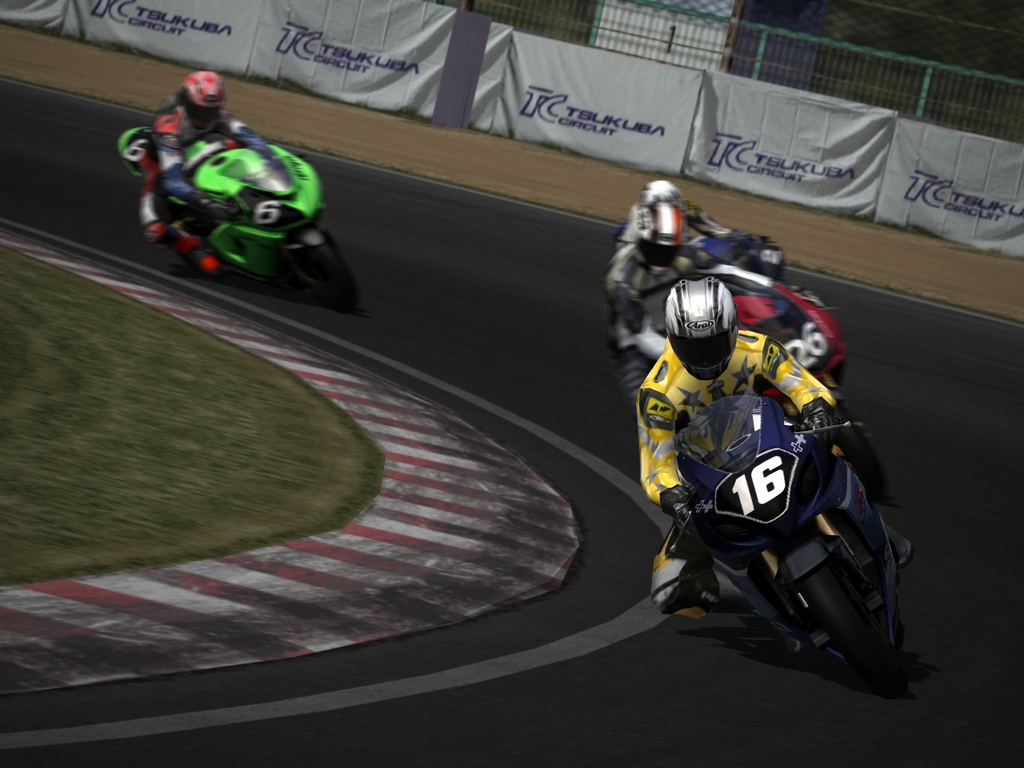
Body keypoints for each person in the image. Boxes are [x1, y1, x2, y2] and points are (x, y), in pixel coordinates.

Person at [637, 276, 914, 619]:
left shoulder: (758, 347)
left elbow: (804, 385)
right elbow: (655, 466)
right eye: (693, 347)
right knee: (668, 591)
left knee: (830, 445)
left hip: (769, 440)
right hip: (707, 482)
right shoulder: (657, 394)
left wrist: (815, 406)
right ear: (673, 338)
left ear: (732, 328)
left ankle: (876, 525)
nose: (706, 357)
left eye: (714, 343)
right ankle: (760, 607)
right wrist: (672, 496)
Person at [604, 180, 771, 402]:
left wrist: (770, 286)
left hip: (677, 323)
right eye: (655, 250)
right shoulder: (621, 277)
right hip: (635, 345)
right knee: (650, 408)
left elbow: (726, 267)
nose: (661, 258)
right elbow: (643, 335)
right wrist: (693, 355)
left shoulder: (685, 237)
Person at [138, 70, 275, 276]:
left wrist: (274, 155)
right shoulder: (169, 128)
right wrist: (206, 202)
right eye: (200, 110)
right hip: (163, 172)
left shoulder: (220, 115)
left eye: (212, 110)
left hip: (202, 158)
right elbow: (173, 181)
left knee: (240, 147)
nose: (206, 116)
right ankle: (192, 248)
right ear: (187, 101)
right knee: (154, 232)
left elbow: (252, 138)